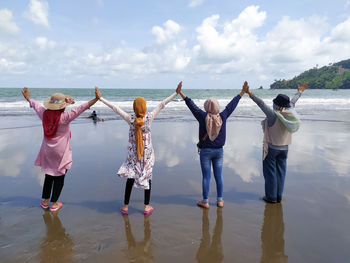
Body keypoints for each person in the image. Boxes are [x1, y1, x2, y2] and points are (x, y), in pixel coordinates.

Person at [95, 83, 180, 215]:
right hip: (146, 155)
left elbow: (115, 108)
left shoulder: (130, 119)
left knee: (130, 178)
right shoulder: (149, 117)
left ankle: (125, 206)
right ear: (144, 107)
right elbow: (162, 104)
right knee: (148, 177)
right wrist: (176, 93)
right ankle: (146, 207)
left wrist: (101, 98)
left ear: (134, 108)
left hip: (133, 155)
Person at [22, 87, 99, 211]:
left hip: (47, 151)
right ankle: (55, 203)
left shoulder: (44, 114)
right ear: (62, 106)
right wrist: (96, 98)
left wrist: (28, 98)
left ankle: (46, 201)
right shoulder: (65, 117)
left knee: (49, 175)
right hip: (61, 152)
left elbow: (36, 106)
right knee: (59, 177)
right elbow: (81, 108)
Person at [177, 82, 248, 208]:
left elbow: (191, 105)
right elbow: (232, 105)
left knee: (206, 177)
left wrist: (180, 93)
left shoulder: (202, 116)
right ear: (217, 107)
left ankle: (205, 201)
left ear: (206, 107)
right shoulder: (223, 116)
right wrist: (242, 92)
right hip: (219, 151)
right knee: (219, 176)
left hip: (205, 152)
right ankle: (220, 201)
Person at [246, 82, 307, 203]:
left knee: (270, 174)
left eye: (274, 102)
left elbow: (261, 104)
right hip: (284, 149)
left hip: (272, 149)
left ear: (277, 104)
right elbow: (293, 102)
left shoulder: (273, 115)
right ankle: (278, 196)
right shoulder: (290, 113)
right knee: (281, 173)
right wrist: (299, 92)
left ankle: (271, 197)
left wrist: (250, 94)